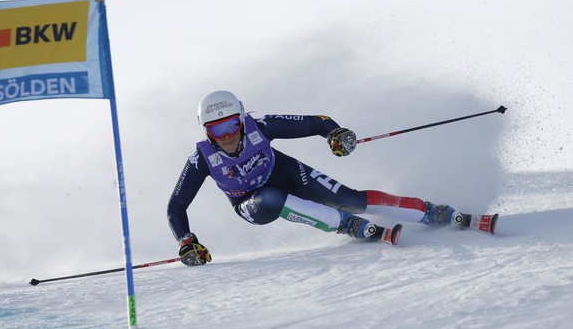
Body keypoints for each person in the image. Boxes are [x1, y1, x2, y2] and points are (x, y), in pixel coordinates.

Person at [168, 91, 494, 267]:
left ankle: (433, 212)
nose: (225, 136)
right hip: (250, 203)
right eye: (215, 130)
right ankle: (345, 225)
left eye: (230, 126)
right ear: (205, 131)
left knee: (351, 200)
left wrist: (336, 133)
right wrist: (186, 240)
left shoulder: (261, 126)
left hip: (284, 171)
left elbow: (316, 122)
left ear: (241, 119)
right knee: (271, 199)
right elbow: (176, 205)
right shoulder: (201, 158)